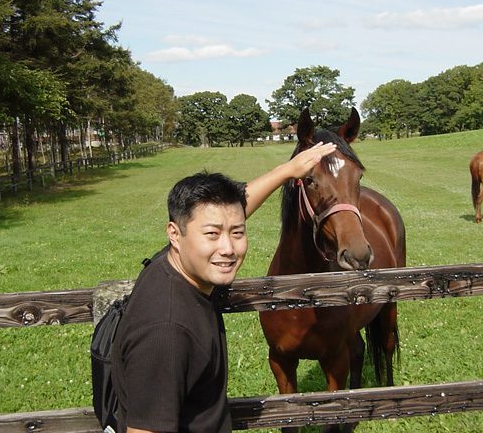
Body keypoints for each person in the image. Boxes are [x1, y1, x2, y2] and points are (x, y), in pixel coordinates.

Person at [111, 142, 337, 433]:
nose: (228, 248)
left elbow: (230, 214)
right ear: (175, 234)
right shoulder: (166, 331)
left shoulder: (169, 264)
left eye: (237, 233)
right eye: (212, 234)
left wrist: (286, 171)